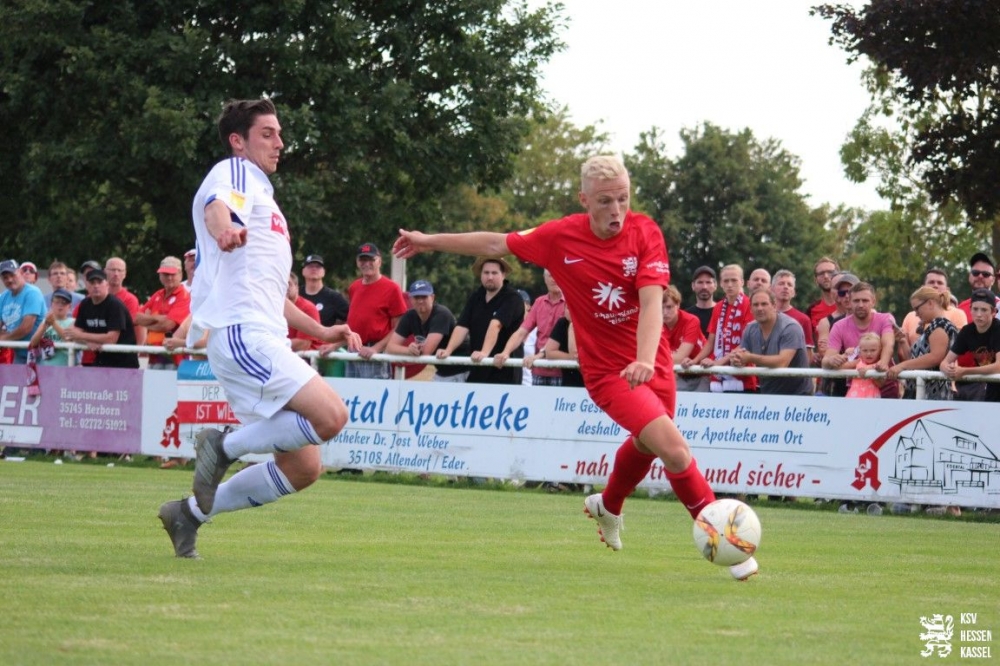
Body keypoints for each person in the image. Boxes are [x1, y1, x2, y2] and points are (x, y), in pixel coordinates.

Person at [393, 154, 754, 580]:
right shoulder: (559, 237)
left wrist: (644, 359)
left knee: (647, 444)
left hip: (650, 362)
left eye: (623, 198)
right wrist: (429, 240)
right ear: (584, 200)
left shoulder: (645, 232)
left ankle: (608, 504)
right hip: (608, 373)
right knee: (674, 450)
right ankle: (729, 545)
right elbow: (494, 244)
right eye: (605, 201)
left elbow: (652, 303)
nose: (617, 210)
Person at [158, 97, 361, 558]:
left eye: (279, 134)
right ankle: (223, 446)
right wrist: (223, 229)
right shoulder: (235, 172)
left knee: (304, 467)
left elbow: (270, 294)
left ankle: (189, 514)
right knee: (331, 416)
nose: (279, 142)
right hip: (242, 333)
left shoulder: (264, 197)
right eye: (267, 134)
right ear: (238, 141)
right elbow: (216, 206)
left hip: (258, 333)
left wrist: (321, 331)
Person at [439, 257, 525, 385]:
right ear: (481, 275)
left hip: (504, 369)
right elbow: (462, 326)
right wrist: (448, 350)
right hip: (478, 366)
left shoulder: (513, 297)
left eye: (494, 273)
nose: (490, 277)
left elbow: (495, 325)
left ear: (503, 275)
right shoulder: (476, 296)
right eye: (486, 272)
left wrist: (484, 352)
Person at [684, 264, 758, 393]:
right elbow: (710, 342)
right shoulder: (718, 307)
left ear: (742, 282)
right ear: (721, 284)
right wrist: (694, 361)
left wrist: (718, 363)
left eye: (734, 280)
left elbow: (745, 342)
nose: (730, 285)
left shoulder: (750, 304)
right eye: (726, 281)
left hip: (742, 375)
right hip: (718, 377)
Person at [822, 281, 899, 399]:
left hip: (886, 386)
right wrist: (832, 361)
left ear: (873, 301)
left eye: (865, 300)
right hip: (857, 389)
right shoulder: (839, 326)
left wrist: (882, 364)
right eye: (856, 301)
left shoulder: (885, 318)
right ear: (849, 302)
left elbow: (888, 344)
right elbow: (826, 360)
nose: (861, 305)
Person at [345, 242, 408, 379]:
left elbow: (399, 327)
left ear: (379, 261)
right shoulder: (354, 287)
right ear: (357, 262)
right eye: (363, 259)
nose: (366, 263)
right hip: (353, 349)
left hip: (375, 352)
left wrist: (376, 348)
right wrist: (333, 345)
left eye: (371, 259)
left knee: (375, 391)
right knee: (351, 391)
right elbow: (353, 323)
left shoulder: (392, 288)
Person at [732, 288, 812, 395]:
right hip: (768, 393)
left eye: (764, 304)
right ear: (750, 309)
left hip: (798, 395)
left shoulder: (791, 327)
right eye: (755, 305)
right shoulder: (750, 329)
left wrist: (750, 358)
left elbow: (782, 362)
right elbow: (741, 355)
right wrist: (736, 360)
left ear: (774, 306)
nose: (759, 308)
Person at [385, 279, 469, 382]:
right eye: (416, 297)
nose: (420, 301)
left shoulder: (441, 314)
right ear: (410, 299)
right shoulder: (409, 316)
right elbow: (390, 348)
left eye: (424, 297)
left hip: (466, 368)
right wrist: (409, 350)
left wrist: (412, 350)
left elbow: (426, 351)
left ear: (432, 298)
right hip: (444, 371)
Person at [494, 269, 566, 386]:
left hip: (564, 369)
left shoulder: (571, 302)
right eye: (550, 275)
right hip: (539, 369)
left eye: (558, 274)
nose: (554, 279)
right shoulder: (539, 302)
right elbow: (521, 332)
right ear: (544, 279)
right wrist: (505, 352)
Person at [886, 286, 959, 400]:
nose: (916, 314)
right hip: (921, 391)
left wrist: (902, 365)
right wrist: (903, 341)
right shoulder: (935, 325)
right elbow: (916, 360)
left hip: (931, 394)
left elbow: (935, 357)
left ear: (930, 303)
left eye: (917, 309)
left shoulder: (939, 325)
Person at [65, 269, 139, 368]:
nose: (96, 286)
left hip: (124, 363)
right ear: (87, 286)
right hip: (101, 361)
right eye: (92, 283)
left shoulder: (115, 305)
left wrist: (82, 336)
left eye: (99, 282)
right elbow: (73, 334)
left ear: (107, 284)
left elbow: (111, 339)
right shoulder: (85, 304)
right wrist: (87, 342)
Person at [940, 289, 1000, 403]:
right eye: (975, 309)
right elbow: (944, 362)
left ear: (994, 312)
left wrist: (964, 371)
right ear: (970, 309)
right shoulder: (967, 331)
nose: (979, 314)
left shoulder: (998, 329)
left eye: (984, 310)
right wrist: (949, 370)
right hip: (991, 385)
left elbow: (998, 367)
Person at [134, 256, 191, 369]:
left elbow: (168, 325)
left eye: (172, 274)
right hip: (154, 355)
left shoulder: (184, 297)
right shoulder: (158, 294)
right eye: (165, 274)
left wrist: (148, 322)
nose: (169, 278)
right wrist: (158, 318)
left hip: (174, 356)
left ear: (180, 275)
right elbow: (136, 318)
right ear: (160, 275)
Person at [815, 271, 857, 397]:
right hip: (838, 386)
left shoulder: (879, 319)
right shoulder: (835, 324)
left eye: (851, 291)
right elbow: (825, 356)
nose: (847, 296)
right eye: (842, 293)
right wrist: (832, 360)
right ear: (837, 296)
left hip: (870, 385)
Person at [899, 269, 966, 346]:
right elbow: (904, 352)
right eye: (931, 282)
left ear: (947, 290)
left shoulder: (957, 314)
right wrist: (902, 341)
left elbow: (959, 346)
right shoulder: (910, 316)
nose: (935, 285)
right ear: (923, 288)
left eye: (940, 283)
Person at [0, 259, 47, 364]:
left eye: (13, 275)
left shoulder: (33, 293)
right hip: (18, 354)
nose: (10, 280)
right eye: (5, 277)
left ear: (21, 272)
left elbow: (26, 328)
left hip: (39, 355)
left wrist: (4, 338)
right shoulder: (3, 297)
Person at [662, 285, 707, 392]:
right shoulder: (655, 324)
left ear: (678, 305)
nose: (664, 312)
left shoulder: (691, 321)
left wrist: (655, 358)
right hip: (679, 374)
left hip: (703, 373)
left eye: (669, 307)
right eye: (660, 308)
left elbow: (680, 358)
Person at [771, 269, 815, 365]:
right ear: (772, 289)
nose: (785, 287)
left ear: (794, 292)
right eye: (781, 283)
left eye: (789, 285)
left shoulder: (803, 319)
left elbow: (808, 355)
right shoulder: (763, 317)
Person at [28, 288, 75, 366]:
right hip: (45, 366)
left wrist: (53, 323)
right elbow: (33, 343)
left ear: (69, 306)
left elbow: (68, 339)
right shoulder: (45, 321)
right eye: (57, 302)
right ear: (51, 304)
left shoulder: (73, 322)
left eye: (64, 303)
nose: (60, 305)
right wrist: (45, 326)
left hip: (65, 367)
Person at [300, 254, 349, 327]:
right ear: (303, 271)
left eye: (318, 267)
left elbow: (351, 318)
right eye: (310, 266)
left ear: (324, 272)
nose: (314, 269)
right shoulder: (296, 294)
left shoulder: (333, 297)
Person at [105, 257, 144, 345]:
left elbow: (134, 327)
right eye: (113, 270)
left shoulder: (130, 300)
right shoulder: (94, 297)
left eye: (119, 270)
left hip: (120, 347)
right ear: (105, 271)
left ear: (125, 274)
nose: (116, 274)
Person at [286, 272, 322, 353]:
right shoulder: (273, 308)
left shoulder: (308, 308)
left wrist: (274, 346)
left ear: (297, 287)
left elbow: (303, 344)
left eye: (289, 284)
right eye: (282, 284)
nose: (285, 287)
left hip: (309, 358)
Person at [843, 332, 884, 398]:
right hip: (854, 397)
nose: (868, 354)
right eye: (865, 350)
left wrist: (870, 373)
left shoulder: (880, 365)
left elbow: (880, 384)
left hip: (872, 398)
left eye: (873, 350)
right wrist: (845, 355)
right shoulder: (857, 362)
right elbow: (841, 367)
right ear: (860, 351)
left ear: (880, 350)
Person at [806, 256, 840, 335]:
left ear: (839, 276)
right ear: (816, 280)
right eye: (821, 273)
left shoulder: (849, 305)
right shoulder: (811, 310)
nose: (826, 276)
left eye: (830, 272)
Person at [684, 265, 717, 336]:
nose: (704, 287)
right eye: (700, 282)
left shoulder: (723, 313)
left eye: (708, 282)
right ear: (693, 286)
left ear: (715, 286)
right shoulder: (685, 316)